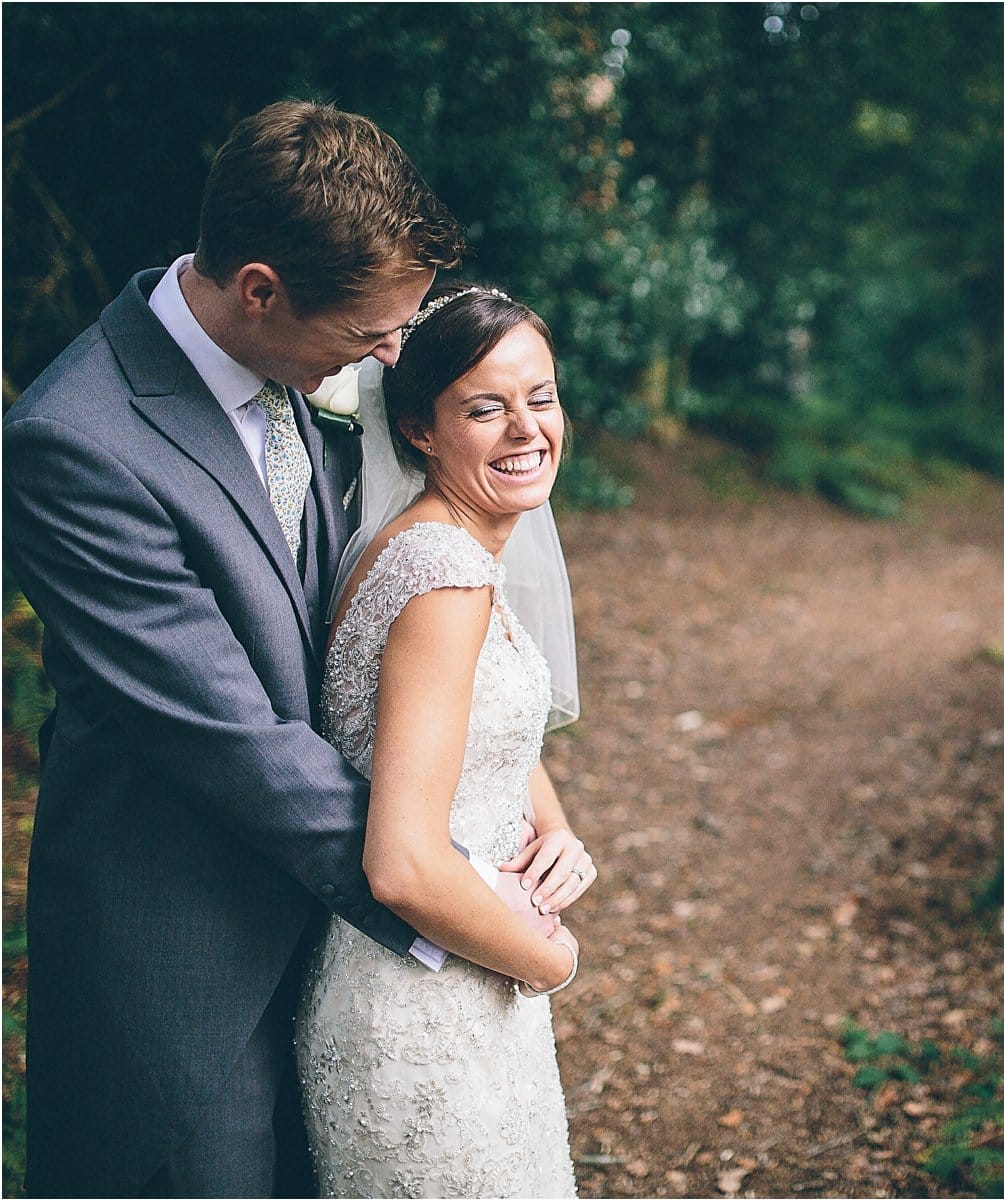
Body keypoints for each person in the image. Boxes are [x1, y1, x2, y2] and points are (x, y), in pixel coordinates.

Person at [1, 101, 580, 1198]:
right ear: (260, 289)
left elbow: (395, 638)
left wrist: (521, 797)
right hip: (187, 964)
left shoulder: (314, 371)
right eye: (373, 335)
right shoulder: (76, 443)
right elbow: (233, 738)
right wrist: (441, 895)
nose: (395, 358)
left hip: (346, 951)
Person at [293, 283, 589, 1196]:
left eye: (540, 397)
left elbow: (478, 728)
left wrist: (555, 828)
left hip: (457, 972)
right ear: (419, 428)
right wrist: (552, 958)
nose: (526, 430)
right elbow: (403, 865)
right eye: (485, 408)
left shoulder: (428, 545)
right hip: (427, 1009)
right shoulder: (445, 580)